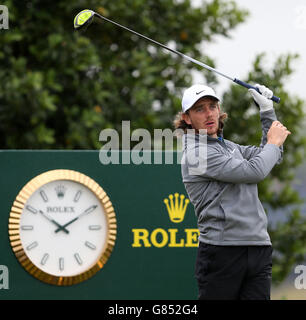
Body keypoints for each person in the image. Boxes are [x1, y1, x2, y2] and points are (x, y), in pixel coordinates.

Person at [174, 83, 291, 300]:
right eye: (200, 109)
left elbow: (271, 157)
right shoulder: (196, 153)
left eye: (212, 106)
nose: (209, 114)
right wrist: (273, 144)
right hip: (222, 251)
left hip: (257, 248)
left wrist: (266, 112)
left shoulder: (230, 147)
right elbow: (255, 170)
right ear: (187, 118)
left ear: (219, 110)